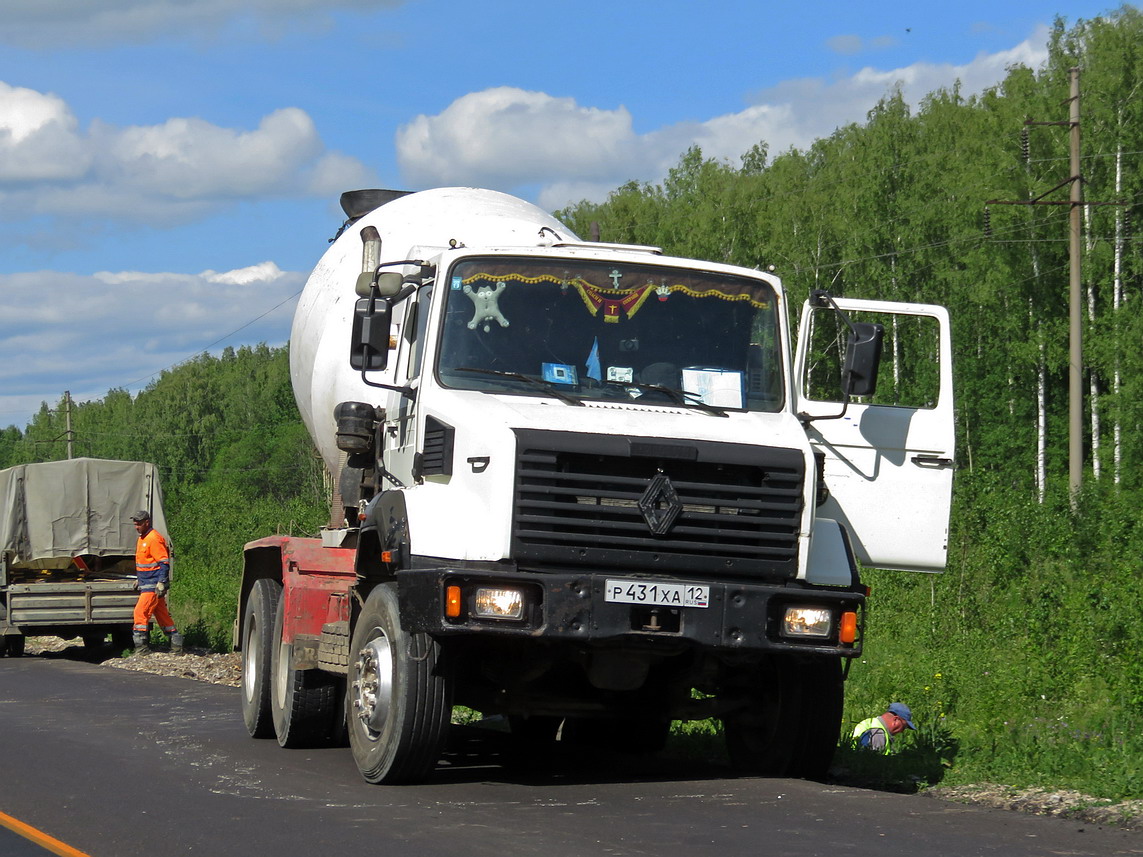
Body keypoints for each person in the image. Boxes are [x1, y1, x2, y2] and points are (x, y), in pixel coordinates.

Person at [130, 510, 184, 655]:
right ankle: (176, 645)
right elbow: (146, 563)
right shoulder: (143, 538)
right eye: (135, 524)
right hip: (147, 583)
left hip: (152, 585)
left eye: (139, 524)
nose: (136, 527)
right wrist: (139, 579)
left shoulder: (153, 539)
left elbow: (164, 563)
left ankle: (141, 648)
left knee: (140, 613)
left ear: (147, 522)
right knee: (162, 615)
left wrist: (161, 582)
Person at [851, 702, 916, 754]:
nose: (902, 731)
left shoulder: (871, 723)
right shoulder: (878, 733)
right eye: (904, 727)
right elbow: (874, 764)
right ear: (896, 720)